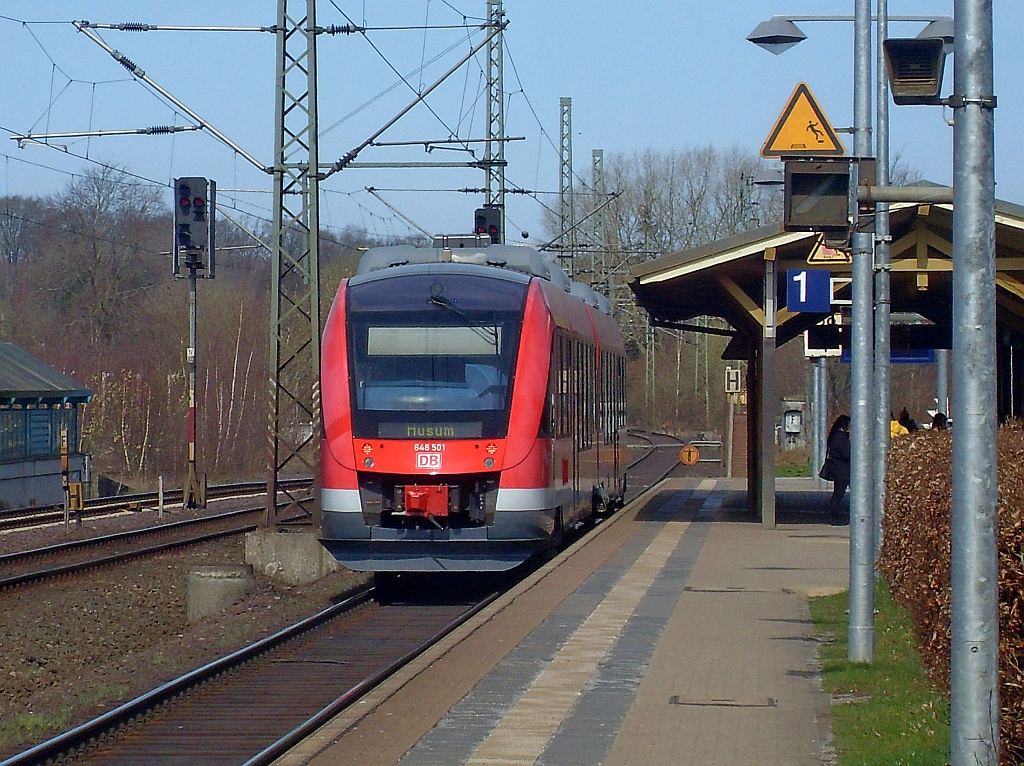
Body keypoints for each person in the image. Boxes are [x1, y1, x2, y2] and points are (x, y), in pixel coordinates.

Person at [824, 414, 851, 523]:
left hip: (837, 467)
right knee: (839, 493)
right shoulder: (840, 437)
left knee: (838, 492)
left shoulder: (835, 435)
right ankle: (834, 514)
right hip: (842, 469)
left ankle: (834, 513)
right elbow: (847, 453)